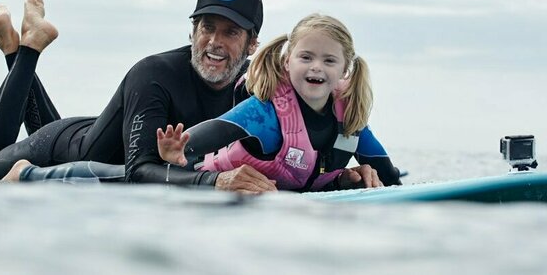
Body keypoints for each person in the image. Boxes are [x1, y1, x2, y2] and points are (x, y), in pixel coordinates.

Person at [0, 0, 278, 193]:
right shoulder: (155, 74)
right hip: (59, 150)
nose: (214, 42)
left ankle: (15, 43)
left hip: (97, 139)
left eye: (231, 32)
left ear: (252, 45)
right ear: (192, 32)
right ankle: (27, 50)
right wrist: (215, 182)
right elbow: (137, 171)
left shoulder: (255, 86)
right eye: (207, 27)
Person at [155, 14, 401, 191]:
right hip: (203, 184)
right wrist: (178, 148)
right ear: (287, 62)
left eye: (329, 61)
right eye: (306, 57)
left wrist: (351, 182)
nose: (316, 66)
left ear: (345, 70)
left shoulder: (349, 118)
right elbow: (218, 128)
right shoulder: (266, 113)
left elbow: (390, 177)